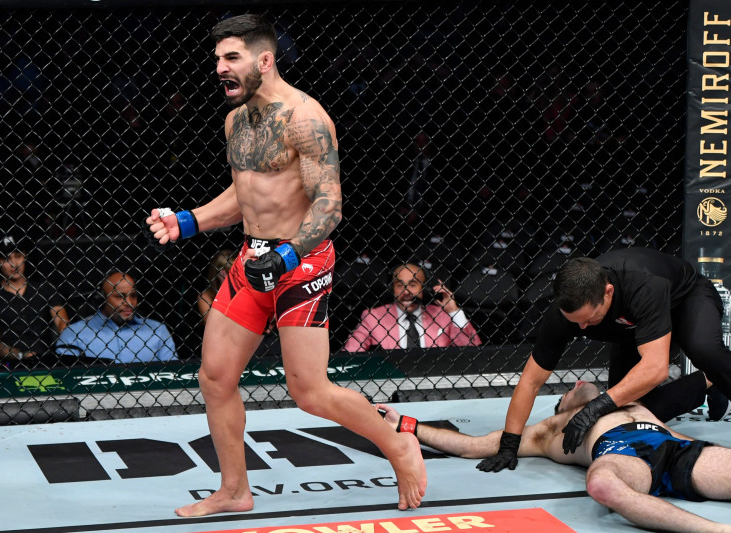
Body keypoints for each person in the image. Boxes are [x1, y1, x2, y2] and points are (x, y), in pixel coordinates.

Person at [145, 14, 425, 517]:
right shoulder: (236, 120)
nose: (220, 68)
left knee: (309, 391)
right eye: (217, 59)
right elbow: (246, 195)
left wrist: (288, 253)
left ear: (265, 59)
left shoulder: (307, 118)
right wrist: (187, 222)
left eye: (231, 58)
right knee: (215, 377)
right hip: (252, 260)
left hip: (302, 261)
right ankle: (235, 490)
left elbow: (330, 204)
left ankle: (398, 442)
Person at [478, 247, 731, 475]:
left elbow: (656, 368)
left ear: (608, 293)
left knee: (703, 346)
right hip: (632, 328)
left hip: (685, 300)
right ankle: (708, 380)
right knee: (634, 411)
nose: (581, 329)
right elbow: (531, 380)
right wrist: (510, 444)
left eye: (588, 320)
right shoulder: (564, 315)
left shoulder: (642, 284)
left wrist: (597, 405)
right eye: (576, 323)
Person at [378, 381, 731, 533]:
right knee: (601, 483)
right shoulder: (549, 431)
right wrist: (406, 424)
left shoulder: (628, 395)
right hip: (621, 455)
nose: (580, 383)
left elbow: (699, 376)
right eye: (569, 391)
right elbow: (471, 444)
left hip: (678, 449)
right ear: (561, 404)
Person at [344, 262, 481, 351]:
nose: (406, 292)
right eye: (399, 285)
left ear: (423, 288)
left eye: (413, 284)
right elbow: (350, 354)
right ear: (392, 289)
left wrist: (454, 312)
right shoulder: (373, 317)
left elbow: (471, 351)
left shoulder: (442, 315)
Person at [55, 271, 177, 363]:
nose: (129, 302)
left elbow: (173, 374)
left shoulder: (157, 330)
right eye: (120, 296)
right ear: (103, 299)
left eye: (133, 296)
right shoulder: (74, 333)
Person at [0, 235, 69, 366]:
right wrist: (20, 355)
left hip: (47, 358)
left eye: (18, 256)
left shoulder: (44, 288)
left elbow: (62, 323)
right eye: (7, 259)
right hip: (10, 364)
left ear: (24, 256)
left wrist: (65, 348)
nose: (14, 264)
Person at [197, 249, 236, 324]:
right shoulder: (205, 297)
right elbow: (214, 324)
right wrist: (225, 292)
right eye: (230, 274)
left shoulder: (244, 293)